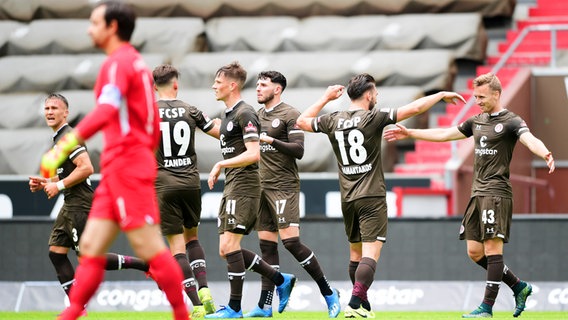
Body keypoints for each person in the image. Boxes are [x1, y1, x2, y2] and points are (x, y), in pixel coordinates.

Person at [39, 2, 188, 319]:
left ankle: (181, 314)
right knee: (91, 248)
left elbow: (106, 112)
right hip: (121, 166)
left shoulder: (118, 63)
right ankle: (71, 314)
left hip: (127, 167)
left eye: (94, 22)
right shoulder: (134, 63)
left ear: (112, 27)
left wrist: (62, 148)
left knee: (151, 249)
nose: (89, 29)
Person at [384, 72, 555, 319]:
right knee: (475, 252)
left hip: (496, 193)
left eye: (482, 96)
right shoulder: (476, 121)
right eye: (475, 96)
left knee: (492, 249)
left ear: (497, 94)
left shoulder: (511, 121)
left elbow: (529, 139)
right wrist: (411, 134)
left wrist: (546, 153)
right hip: (477, 193)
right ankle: (519, 286)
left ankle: (486, 308)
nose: (477, 101)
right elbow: (445, 134)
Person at [296, 73, 466, 318]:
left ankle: (363, 305)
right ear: (367, 94)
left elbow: (302, 121)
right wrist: (440, 94)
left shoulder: (333, 119)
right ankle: (354, 304)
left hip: (348, 198)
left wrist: (325, 97)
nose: (376, 96)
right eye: (374, 92)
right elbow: (415, 108)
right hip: (372, 197)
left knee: (355, 254)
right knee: (370, 254)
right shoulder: (374, 118)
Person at [29, 93, 149, 312]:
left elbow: (86, 168)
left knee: (88, 258)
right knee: (56, 253)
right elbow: (72, 172)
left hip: (80, 202)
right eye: (46, 109)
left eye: (54, 108)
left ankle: (145, 265)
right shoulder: (59, 139)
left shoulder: (68, 136)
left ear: (66, 113)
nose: (49, 112)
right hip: (71, 202)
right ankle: (77, 305)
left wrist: (59, 186)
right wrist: (48, 181)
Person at [245, 70, 340, 318]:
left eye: (263, 85)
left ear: (277, 89)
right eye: (257, 84)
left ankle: (329, 293)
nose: (258, 88)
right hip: (260, 186)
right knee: (266, 248)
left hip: (283, 186)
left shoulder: (290, 114)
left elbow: (298, 150)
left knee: (291, 243)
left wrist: (271, 140)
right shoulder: (254, 116)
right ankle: (265, 306)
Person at [206, 61, 296, 319]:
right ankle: (280, 279)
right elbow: (230, 138)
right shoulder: (229, 115)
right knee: (225, 249)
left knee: (231, 245)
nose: (214, 86)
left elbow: (254, 153)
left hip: (244, 184)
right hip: (233, 183)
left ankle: (234, 308)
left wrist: (221, 163)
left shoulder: (246, 113)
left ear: (232, 85)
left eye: (218, 82)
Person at [152, 63, 220, 318]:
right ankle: (204, 289)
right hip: (191, 182)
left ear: (153, 86)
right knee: (193, 238)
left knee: (176, 248)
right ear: (176, 84)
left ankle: (198, 306)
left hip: (164, 184)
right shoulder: (191, 110)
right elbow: (220, 134)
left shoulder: (148, 113)